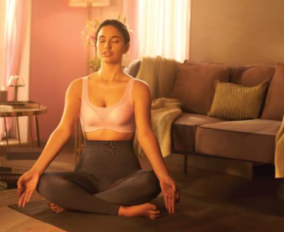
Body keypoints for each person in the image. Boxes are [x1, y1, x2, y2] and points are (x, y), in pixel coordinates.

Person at [17, 19, 180, 220]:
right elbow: (63, 130)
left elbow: (146, 134)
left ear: (126, 47)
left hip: (126, 175)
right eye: (102, 41)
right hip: (86, 176)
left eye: (115, 41)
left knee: (152, 180)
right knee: (43, 182)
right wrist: (35, 170)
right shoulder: (78, 86)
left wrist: (164, 176)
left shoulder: (138, 88)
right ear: (96, 46)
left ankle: (78, 203)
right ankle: (122, 210)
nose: (107, 46)